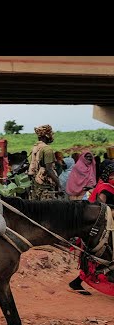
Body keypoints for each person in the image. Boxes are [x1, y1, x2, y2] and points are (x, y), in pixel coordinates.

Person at [67, 160, 114, 296]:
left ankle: (77, 282)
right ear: (106, 176)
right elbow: (101, 207)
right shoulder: (104, 188)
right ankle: (77, 282)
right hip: (103, 227)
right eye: (112, 175)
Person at [28, 124, 60, 200]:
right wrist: (60, 184)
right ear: (47, 135)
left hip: (35, 186)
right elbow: (49, 170)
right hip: (45, 187)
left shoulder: (35, 148)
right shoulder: (47, 149)